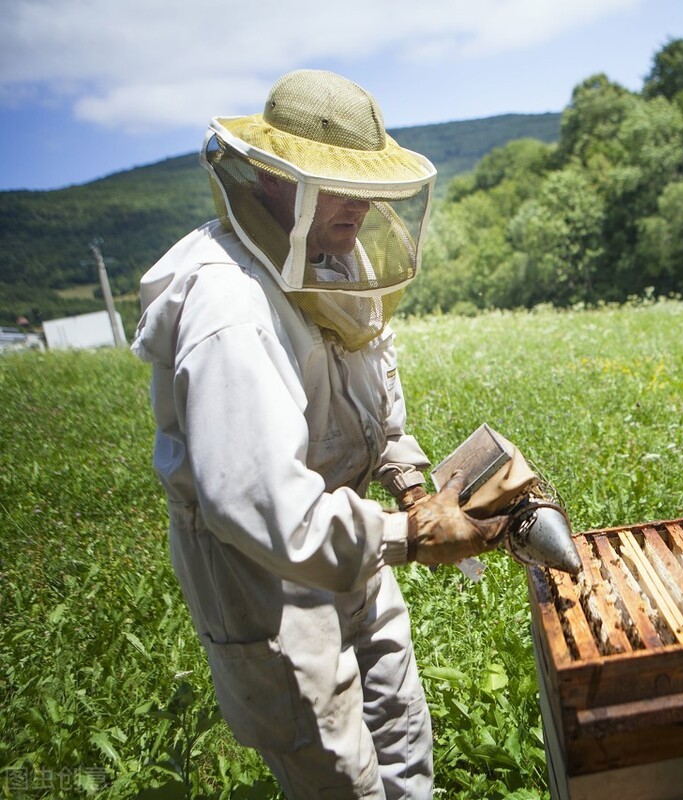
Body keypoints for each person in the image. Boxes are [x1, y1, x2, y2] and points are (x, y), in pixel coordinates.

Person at [131, 69, 508, 799]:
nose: (361, 205)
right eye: (337, 182)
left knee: (404, 739)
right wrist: (411, 536)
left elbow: (373, 376)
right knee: (341, 777)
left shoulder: (337, 252)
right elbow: (263, 508)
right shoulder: (229, 304)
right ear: (274, 175)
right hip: (266, 577)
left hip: (354, 539)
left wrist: (405, 474)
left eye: (365, 184)